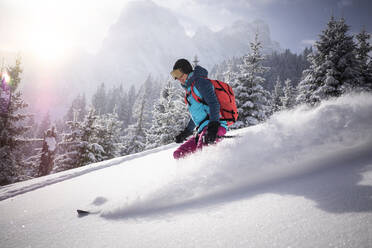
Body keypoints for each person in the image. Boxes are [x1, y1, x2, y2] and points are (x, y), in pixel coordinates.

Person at [171, 58, 228, 159]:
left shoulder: (200, 82)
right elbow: (197, 115)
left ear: (186, 70)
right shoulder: (189, 91)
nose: (178, 78)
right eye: (175, 76)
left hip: (214, 127)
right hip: (202, 131)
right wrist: (186, 132)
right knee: (178, 154)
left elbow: (214, 103)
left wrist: (214, 125)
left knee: (203, 153)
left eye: (179, 74)